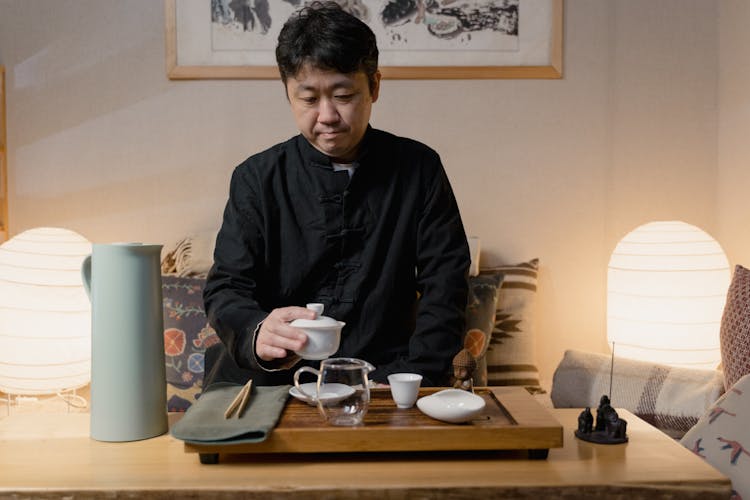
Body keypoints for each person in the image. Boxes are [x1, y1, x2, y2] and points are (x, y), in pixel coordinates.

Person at [202, 1, 470, 388]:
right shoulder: (256, 178)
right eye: (309, 99)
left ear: (374, 86)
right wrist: (258, 331)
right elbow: (227, 286)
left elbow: (445, 284)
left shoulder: (419, 168)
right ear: (288, 93)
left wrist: (414, 375)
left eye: (343, 95)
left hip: (386, 376)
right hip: (275, 379)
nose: (326, 115)